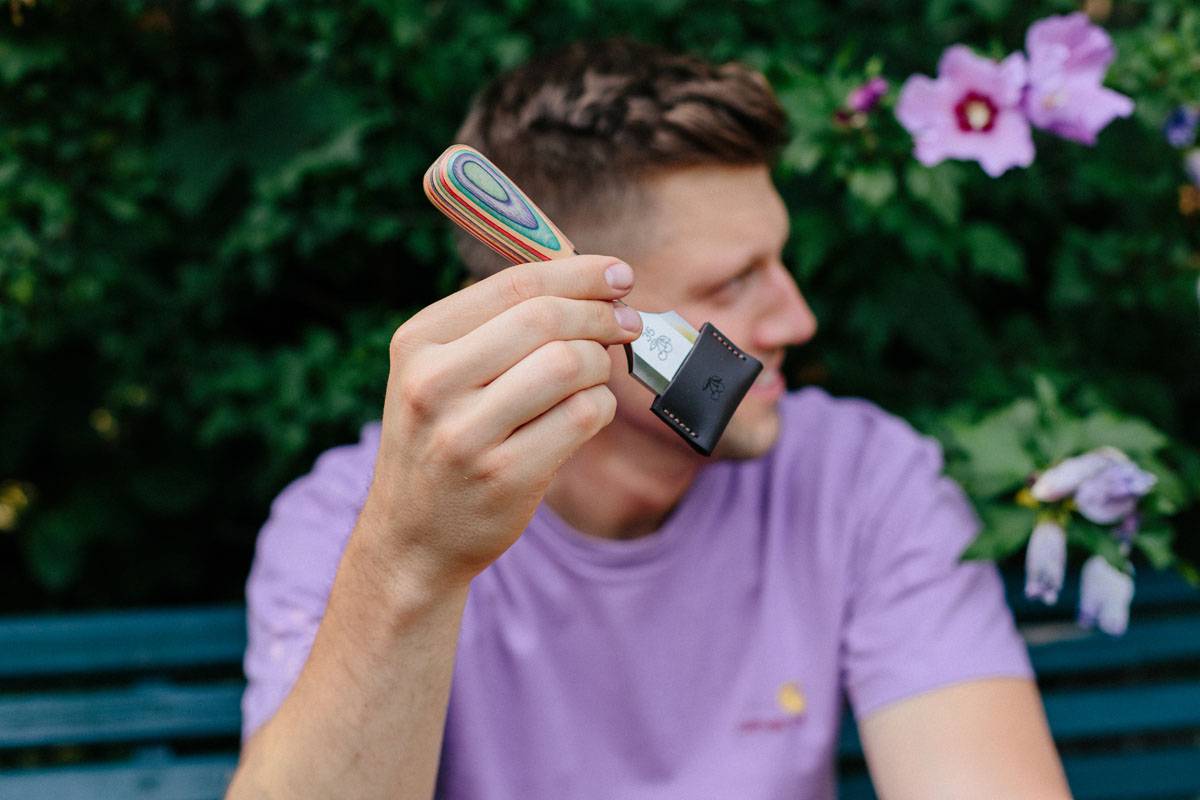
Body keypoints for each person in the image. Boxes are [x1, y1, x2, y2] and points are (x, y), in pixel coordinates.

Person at [226, 38, 1071, 800]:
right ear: (562, 312)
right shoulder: (360, 524)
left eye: (779, 262)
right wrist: (411, 563)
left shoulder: (860, 479)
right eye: (733, 282)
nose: (799, 320)